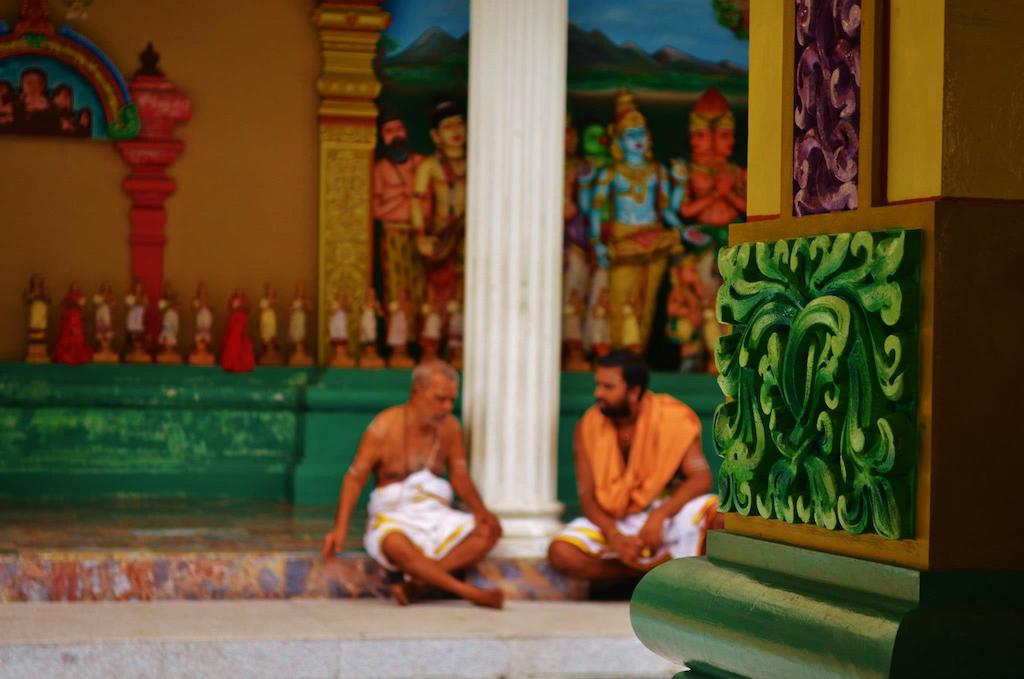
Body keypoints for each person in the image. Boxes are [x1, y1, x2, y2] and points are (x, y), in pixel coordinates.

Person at [321, 361, 504, 609]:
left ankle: (418, 584)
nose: (447, 407)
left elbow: (460, 477)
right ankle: (469, 592)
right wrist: (339, 528)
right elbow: (355, 478)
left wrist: (481, 512)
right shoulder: (384, 427)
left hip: (436, 515)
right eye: (440, 399)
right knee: (393, 544)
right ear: (417, 391)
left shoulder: (450, 428)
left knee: (490, 530)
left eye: (452, 400)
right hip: (395, 518)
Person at [548, 351, 721, 580]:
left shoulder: (671, 417)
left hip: (668, 514)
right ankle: (653, 576)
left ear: (634, 392)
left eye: (608, 387)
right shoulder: (587, 426)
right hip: (615, 519)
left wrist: (658, 516)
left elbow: (701, 478)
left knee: (721, 517)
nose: (598, 394)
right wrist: (614, 536)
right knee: (561, 553)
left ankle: (644, 578)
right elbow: (587, 499)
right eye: (597, 385)